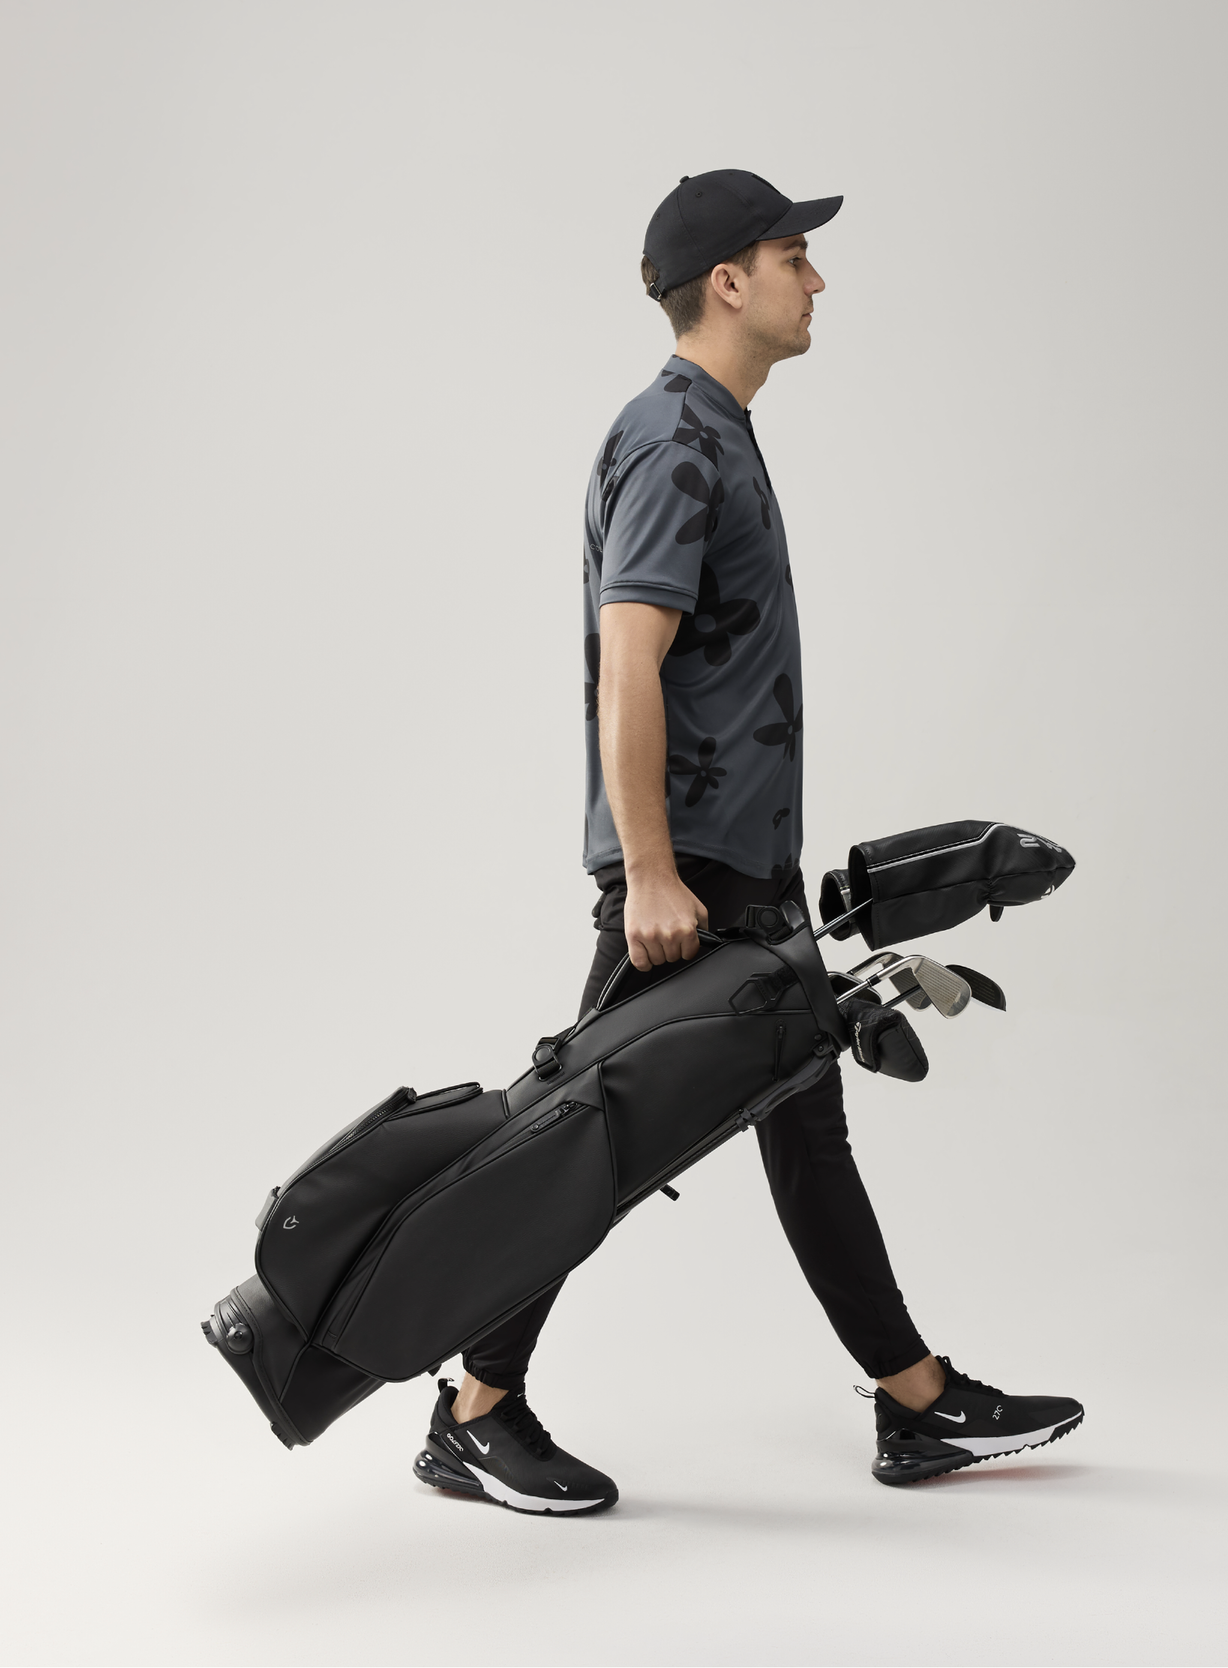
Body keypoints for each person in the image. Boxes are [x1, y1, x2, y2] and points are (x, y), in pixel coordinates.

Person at [409, 171, 1083, 1516]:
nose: (815, 278)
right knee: (575, 1145)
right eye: (792, 255)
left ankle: (914, 1401)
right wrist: (654, 872)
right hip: (689, 879)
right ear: (728, 280)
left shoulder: (714, 428)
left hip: (737, 867)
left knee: (803, 1126)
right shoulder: (672, 438)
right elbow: (630, 665)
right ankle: (476, 1410)